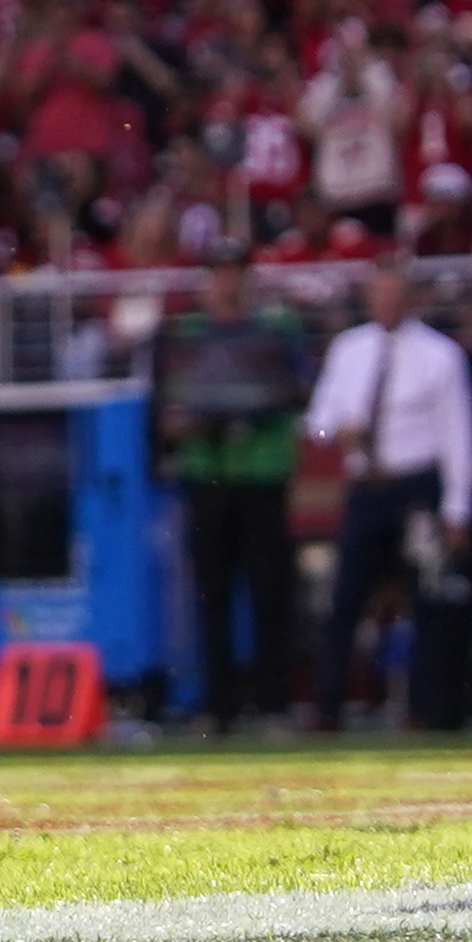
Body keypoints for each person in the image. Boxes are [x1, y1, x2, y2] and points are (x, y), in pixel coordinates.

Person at [306, 257, 472, 730]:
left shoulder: (441, 355)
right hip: (366, 487)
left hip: (416, 486)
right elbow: (318, 421)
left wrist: (457, 506)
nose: (387, 303)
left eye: (396, 294)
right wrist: (339, 432)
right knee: (345, 599)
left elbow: (458, 434)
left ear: (412, 298)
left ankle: (422, 706)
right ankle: (328, 707)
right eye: (379, 293)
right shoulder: (350, 349)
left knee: (426, 598)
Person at [154, 243, 308, 730]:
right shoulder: (185, 334)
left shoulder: (278, 330)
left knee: (270, 594)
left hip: (263, 473)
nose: (227, 283)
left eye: (234, 273)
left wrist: (248, 407)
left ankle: (273, 705)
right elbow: (168, 416)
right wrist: (208, 420)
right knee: (211, 594)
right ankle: (217, 707)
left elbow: (298, 391)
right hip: (208, 476)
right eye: (218, 272)